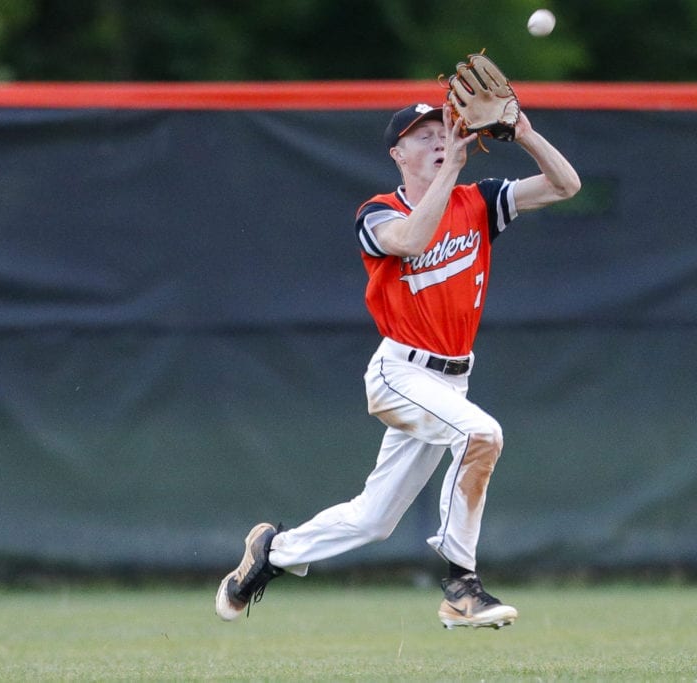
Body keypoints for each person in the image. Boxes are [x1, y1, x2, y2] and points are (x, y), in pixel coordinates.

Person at [215, 100, 581, 628]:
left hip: (452, 379)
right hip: (399, 374)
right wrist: (453, 164)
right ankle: (462, 586)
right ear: (397, 153)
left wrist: (525, 132)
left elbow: (565, 186)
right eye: (423, 135)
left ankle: (270, 553)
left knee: (374, 519)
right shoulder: (377, 211)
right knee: (482, 436)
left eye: (443, 131)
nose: (438, 141)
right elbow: (409, 242)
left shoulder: (478, 201)